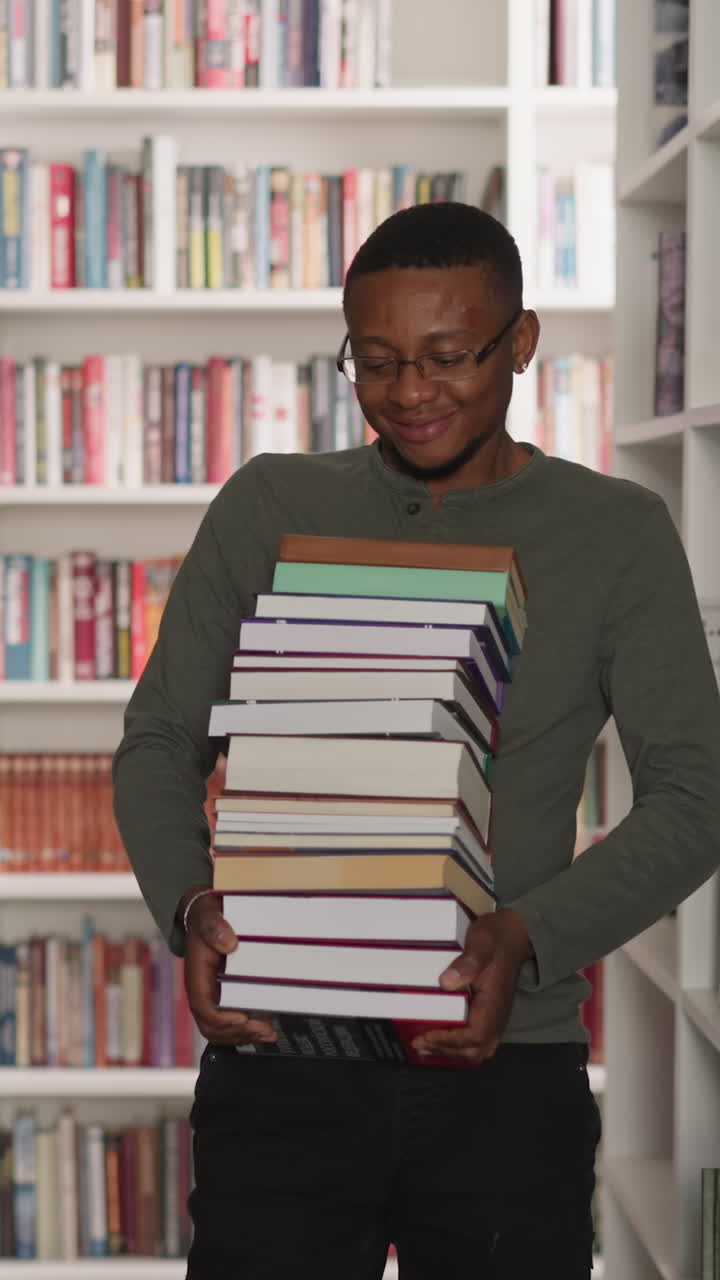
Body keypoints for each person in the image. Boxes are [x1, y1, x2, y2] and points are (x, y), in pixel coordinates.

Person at [113, 201, 720, 1279]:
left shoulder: (616, 531)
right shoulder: (269, 502)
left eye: (447, 356)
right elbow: (161, 737)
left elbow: (696, 792)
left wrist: (529, 932)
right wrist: (190, 904)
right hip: (280, 1057)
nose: (408, 392)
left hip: (505, 1068)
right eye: (376, 359)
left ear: (521, 342)